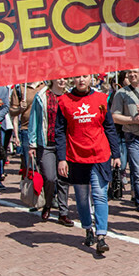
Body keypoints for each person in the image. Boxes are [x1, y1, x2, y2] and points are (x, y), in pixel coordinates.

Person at [54, 75, 121, 254]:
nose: (81, 80)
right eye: (78, 77)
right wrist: (61, 158)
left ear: (91, 78)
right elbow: (59, 132)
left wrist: (116, 153)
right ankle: (87, 228)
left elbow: (109, 127)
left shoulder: (101, 99)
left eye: (85, 76)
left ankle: (101, 235)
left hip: (100, 155)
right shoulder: (64, 101)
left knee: (100, 195)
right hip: (76, 157)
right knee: (82, 198)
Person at [111, 69, 139, 222]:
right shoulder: (121, 93)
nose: (132, 75)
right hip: (132, 138)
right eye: (129, 72)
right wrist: (132, 119)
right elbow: (114, 116)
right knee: (138, 173)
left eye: (135, 71)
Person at [28, 79, 74, 226]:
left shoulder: (70, 96)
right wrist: (32, 144)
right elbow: (34, 120)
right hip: (46, 142)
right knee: (50, 177)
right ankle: (48, 203)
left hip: (66, 144)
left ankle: (63, 212)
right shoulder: (42, 96)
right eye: (59, 77)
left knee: (63, 178)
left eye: (65, 78)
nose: (62, 80)